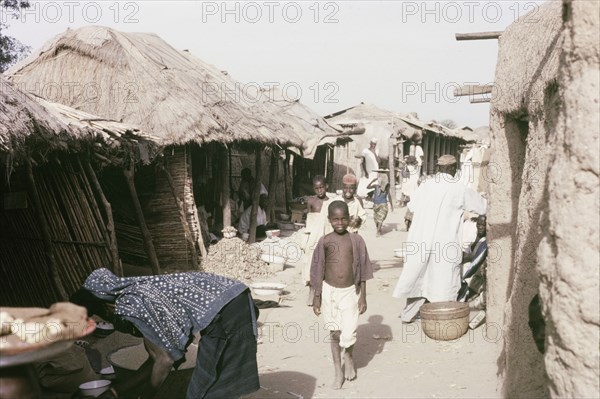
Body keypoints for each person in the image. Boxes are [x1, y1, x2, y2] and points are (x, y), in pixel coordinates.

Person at [71, 268, 260, 399]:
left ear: (104, 305)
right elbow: (157, 358)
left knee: (209, 384)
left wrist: (146, 396)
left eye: (99, 316)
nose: (106, 321)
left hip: (228, 308)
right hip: (232, 297)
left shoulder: (132, 305)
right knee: (214, 380)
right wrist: (117, 392)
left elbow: (165, 361)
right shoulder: (137, 292)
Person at [392, 155, 487, 323]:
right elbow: (482, 207)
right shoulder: (459, 189)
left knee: (419, 275)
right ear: (453, 169)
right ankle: (440, 315)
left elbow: (411, 207)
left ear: (438, 168)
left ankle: (409, 314)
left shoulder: (425, 186)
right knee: (442, 279)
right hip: (444, 242)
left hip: (421, 240)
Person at [310, 201, 373, 389]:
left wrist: (363, 296)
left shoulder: (356, 240)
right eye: (336, 219)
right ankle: (338, 370)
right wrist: (317, 296)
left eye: (344, 218)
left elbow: (363, 268)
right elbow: (317, 268)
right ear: (329, 220)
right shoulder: (325, 241)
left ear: (349, 218)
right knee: (335, 332)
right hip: (329, 292)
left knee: (349, 331)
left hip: (350, 292)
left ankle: (349, 355)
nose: (340, 223)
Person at [303, 175, 332, 305]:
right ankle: (311, 291)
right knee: (310, 264)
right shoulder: (311, 202)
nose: (319, 190)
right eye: (316, 188)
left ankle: (321, 294)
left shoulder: (330, 203)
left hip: (325, 236)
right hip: (312, 238)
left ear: (326, 186)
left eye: (321, 187)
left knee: (325, 264)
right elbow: (309, 222)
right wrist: (305, 239)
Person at [457, 215, 488, 307]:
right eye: (478, 224)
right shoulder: (472, 234)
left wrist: (470, 257)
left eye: (483, 225)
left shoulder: (485, 240)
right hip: (467, 264)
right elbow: (464, 254)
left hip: (477, 268)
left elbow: (476, 258)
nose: (480, 227)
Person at [367, 173, 393, 237]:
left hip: (383, 204)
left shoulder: (386, 187)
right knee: (376, 219)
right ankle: (379, 228)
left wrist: (392, 206)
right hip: (376, 205)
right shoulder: (376, 186)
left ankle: (378, 231)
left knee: (381, 218)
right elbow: (367, 187)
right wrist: (373, 181)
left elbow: (389, 196)